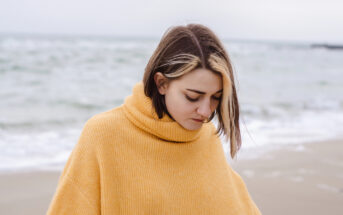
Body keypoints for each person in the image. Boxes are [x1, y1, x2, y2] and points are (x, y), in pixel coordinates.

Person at [47, 24, 262, 215]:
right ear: (161, 83)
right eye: (193, 97)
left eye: (216, 97)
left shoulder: (206, 136)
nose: (206, 111)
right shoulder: (103, 134)